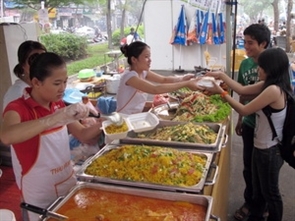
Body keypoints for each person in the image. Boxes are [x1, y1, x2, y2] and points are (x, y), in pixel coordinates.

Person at [0, 52, 104, 221]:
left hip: (68, 182)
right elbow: (7, 136)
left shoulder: (57, 103)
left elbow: (83, 134)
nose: (63, 88)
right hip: (41, 193)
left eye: (65, 81)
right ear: (36, 82)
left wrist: (105, 124)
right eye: (57, 83)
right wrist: (55, 118)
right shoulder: (18, 108)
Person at [204, 47, 290, 221]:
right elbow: (242, 90)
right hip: (261, 146)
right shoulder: (269, 84)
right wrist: (220, 76)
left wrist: (221, 93)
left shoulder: (273, 90)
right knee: (258, 190)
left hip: (270, 150)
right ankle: (256, 216)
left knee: (270, 193)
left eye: (261, 67)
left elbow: (243, 109)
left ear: (270, 69)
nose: (258, 70)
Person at [232, 23, 271, 221]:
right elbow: (242, 91)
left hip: (268, 131)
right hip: (249, 124)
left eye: (250, 43)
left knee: (263, 171)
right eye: (244, 42)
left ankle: (263, 205)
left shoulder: (274, 64)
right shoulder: (245, 64)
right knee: (248, 167)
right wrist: (239, 119)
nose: (246, 47)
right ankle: (250, 202)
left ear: (263, 43)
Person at [116, 41, 203, 115]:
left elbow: (164, 80)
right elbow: (155, 89)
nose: (150, 60)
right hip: (124, 119)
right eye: (146, 57)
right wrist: (186, 84)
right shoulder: (130, 77)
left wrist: (182, 78)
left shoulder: (143, 72)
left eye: (149, 56)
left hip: (136, 116)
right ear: (134, 60)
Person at [3, 40, 47, 110]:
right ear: (23, 65)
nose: (41, 64)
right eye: (33, 60)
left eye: (44, 59)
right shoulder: (16, 93)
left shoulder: (44, 86)